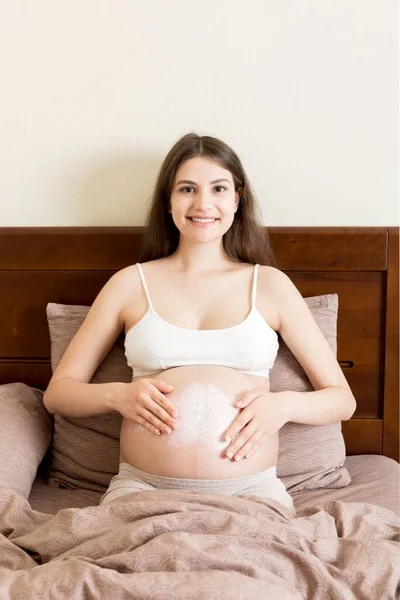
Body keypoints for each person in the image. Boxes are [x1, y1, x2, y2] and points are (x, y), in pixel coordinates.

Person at [43, 133, 356, 516]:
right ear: (169, 201)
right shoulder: (129, 283)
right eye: (187, 189)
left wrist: (284, 405)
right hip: (141, 490)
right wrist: (118, 396)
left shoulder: (271, 284)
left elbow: (342, 400)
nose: (203, 204)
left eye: (219, 188)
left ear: (237, 199)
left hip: (252, 492)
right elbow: (58, 394)